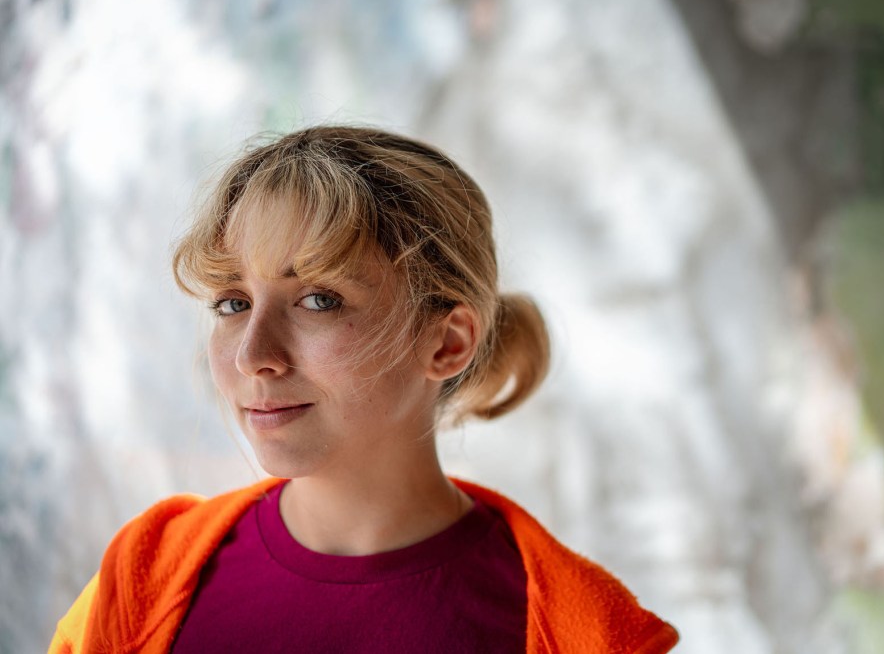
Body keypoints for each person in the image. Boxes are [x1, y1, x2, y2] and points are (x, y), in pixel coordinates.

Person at [49, 125, 680, 653]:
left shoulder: (587, 636)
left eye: (319, 300)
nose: (253, 354)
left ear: (447, 342)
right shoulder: (140, 580)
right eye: (233, 302)